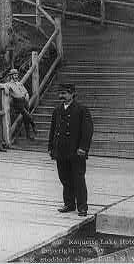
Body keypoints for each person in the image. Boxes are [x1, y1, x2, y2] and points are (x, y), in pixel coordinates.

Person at [48, 83, 93, 217]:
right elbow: (53, 130)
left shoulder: (81, 109)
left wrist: (83, 148)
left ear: (72, 94)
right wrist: (51, 147)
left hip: (76, 151)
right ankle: (69, 204)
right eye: (60, 93)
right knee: (65, 178)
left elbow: (87, 131)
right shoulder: (57, 110)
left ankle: (82, 207)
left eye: (65, 93)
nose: (62, 96)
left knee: (78, 179)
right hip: (61, 150)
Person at [5, 68, 36, 140]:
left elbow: (25, 92)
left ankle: (28, 135)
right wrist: (6, 90)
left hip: (24, 101)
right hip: (17, 102)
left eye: (17, 75)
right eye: (15, 75)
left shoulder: (19, 83)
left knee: (26, 118)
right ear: (11, 76)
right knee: (27, 115)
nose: (16, 76)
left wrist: (27, 97)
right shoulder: (8, 84)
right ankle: (33, 124)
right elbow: (5, 90)